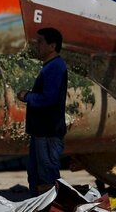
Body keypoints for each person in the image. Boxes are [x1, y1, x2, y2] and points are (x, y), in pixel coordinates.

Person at [18, 27, 68, 194]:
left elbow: (49, 98)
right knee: (36, 173)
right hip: (41, 131)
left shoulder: (55, 67)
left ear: (52, 46)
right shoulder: (50, 66)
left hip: (48, 131)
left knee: (47, 175)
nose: (36, 46)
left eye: (40, 42)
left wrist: (27, 96)